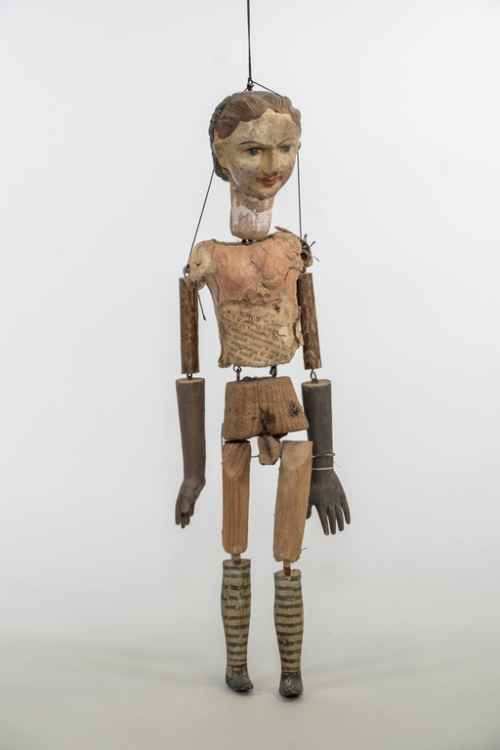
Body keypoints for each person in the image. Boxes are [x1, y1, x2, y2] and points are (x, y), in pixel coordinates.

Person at [175, 90, 351, 698]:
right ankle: (237, 664)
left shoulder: (293, 251)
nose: (273, 165)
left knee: (287, 551)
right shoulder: (207, 259)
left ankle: (291, 666)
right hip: (238, 404)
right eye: (253, 150)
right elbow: (191, 369)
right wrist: (193, 473)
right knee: (234, 545)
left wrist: (324, 463)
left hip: (287, 402)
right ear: (220, 155)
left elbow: (315, 358)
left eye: (286, 148)